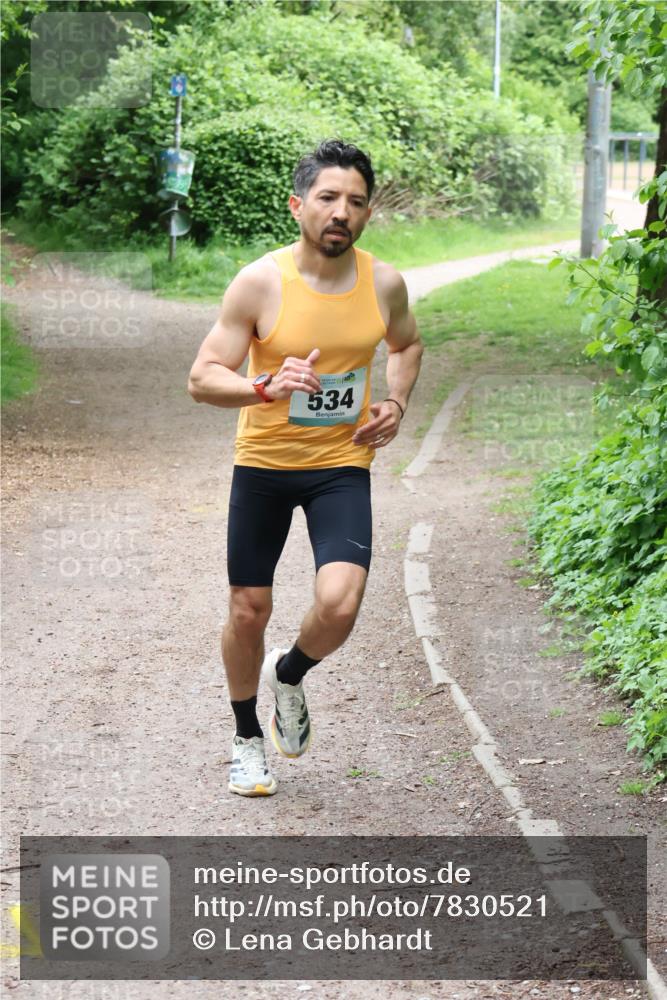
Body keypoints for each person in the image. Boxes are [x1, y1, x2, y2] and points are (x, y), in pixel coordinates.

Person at [188, 139, 423, 797]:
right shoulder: (260, 283)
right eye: (326, 198)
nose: (340, 212)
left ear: (367, 213)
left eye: (353, 201)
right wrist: (263, 388)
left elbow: (406, 344)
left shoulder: (384, 284)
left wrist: (396, 401)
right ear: (298, 206)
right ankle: (245, 739)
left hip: (339, 465)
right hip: (263, 463)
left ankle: (287, 676)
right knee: (248, 608)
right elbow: (203, 378)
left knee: (339, 603)